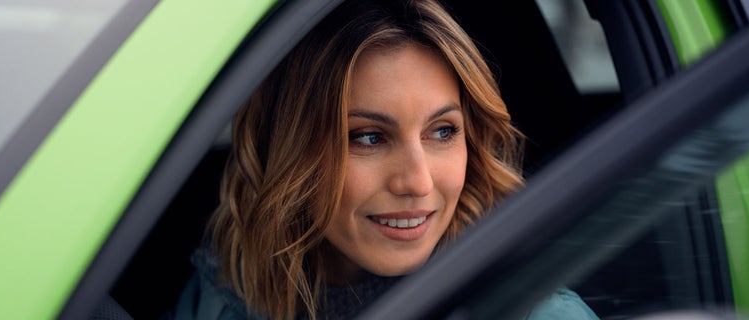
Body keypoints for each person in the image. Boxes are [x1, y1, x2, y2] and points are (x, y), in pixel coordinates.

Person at [171, 0, 600, 319]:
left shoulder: (537, 314)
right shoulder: (224, 294)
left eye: (443, 131)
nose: (417, 182)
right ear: (289, 152)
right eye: (370, 137)